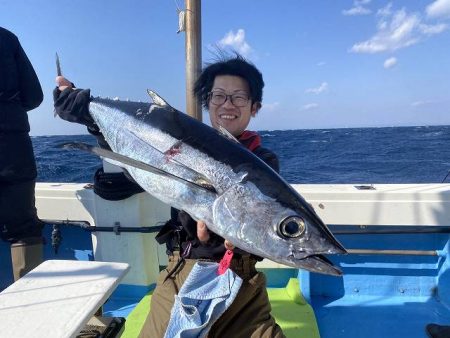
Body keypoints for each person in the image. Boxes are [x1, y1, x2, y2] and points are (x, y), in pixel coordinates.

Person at [53, 54, 285, 337]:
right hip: (184, 272)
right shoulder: (179, 142)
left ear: (255, 106)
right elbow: (138, 161)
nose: (227, 105)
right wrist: (89, 116)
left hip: (242, 281)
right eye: (219, 96)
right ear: (207, 102)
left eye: (238, 97)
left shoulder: (262, 162)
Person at [0, 27, 44, 281]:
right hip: (13, 145)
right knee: (23, 228)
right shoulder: (7, 38)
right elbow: (34, 97)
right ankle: (29, 311)